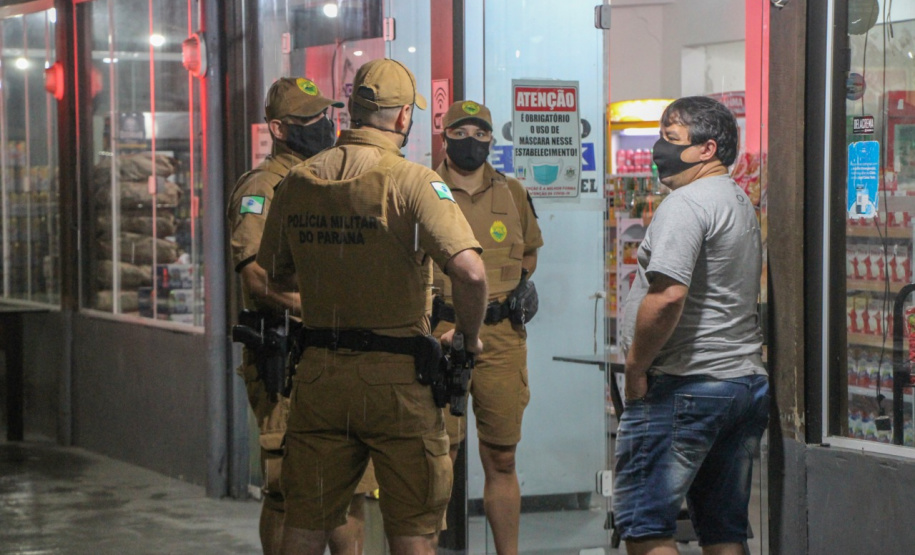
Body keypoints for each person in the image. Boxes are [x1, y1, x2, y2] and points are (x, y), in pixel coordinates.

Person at [256, 58, 488, 555]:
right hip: (398, 380)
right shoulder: (414, 182)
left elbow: (275, 272)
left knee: (306, 522)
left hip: (319, 376)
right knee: (413, 531)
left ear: (351, 112)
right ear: (403, 117)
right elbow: (470, 271)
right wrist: (468, 336)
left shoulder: (297, 182)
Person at [227, 76, 377, 555]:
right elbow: (256, 279)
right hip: (287, 354)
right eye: (311, 120)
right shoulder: (263, 189)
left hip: (339, 354)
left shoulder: (330, 179)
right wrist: (325, 311)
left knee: (351, 487)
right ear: (278, 128)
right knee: (288, 491)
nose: (325, 125)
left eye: (328, 115)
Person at [613, 96, 770, 555]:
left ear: (707, 149)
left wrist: (637, 368)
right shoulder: (737, 200)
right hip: (739, 383)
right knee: (724, 532)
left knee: (646, 530)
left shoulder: (687, 204)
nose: (658, 149)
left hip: (686, 385)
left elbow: (667, 296)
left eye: (670, 138)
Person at [430, 100, 543, 555]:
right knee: (439, 458)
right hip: (440, 334)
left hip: (500, 339)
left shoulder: (512, 193)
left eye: (481, 134)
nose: (471, 142)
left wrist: (522, 283)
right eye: (462, 132)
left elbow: (529, 250)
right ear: (445, 137)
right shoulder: (424, 187)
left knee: (502, 456)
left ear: (492, 141)